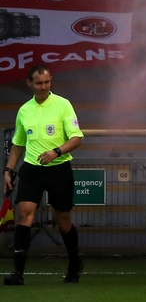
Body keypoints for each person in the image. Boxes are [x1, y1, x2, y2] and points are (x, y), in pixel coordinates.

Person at [3, 64, 84, 285]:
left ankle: (74, 263)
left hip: (59, 169)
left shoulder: (63, 105)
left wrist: (56, 151)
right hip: (31, 169)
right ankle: (18, 274)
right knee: (24, 214)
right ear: (29, 83)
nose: (43, 87)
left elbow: (76, 138)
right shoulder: (24, 110)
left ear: (51, 81)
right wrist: (8, 171)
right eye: (38, 83)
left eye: (47, 82)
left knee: (63, 221)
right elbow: (18, 145)